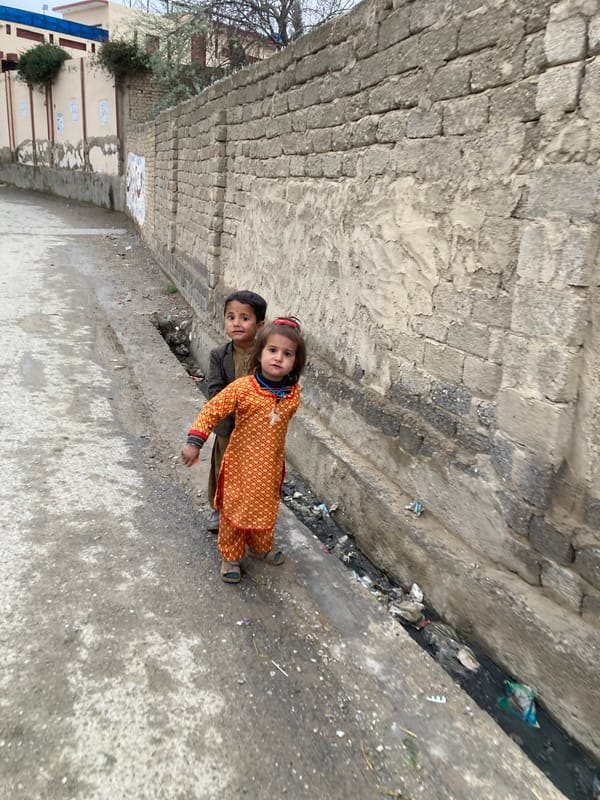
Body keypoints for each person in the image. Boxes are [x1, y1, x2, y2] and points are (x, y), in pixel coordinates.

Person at [182, 317, 306, 583]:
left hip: (270, 467)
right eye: (272, 350)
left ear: (296, 362)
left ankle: (260, 546)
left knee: (266, 507)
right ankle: (231, 555)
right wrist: (195, 442)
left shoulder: (292, 395)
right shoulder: (242, 389)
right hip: (240, 464)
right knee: (235, 510)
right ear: (259, 352)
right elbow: (212, 411)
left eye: (287, 354)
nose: (278, 358)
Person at [205, 290, 267, 533]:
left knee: (252, 473)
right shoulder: (218, 356)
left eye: (244, 318)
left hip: (256, 430)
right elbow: (214, 390)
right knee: (223, 469)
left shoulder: (266, 355)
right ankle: (219, 509)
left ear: (260, 325)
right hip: (228, 428)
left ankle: (249, 513)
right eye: (231, 317)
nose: (236, 323)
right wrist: (230, 411)